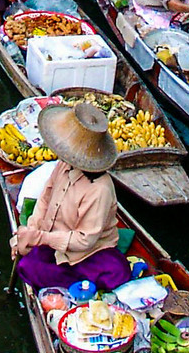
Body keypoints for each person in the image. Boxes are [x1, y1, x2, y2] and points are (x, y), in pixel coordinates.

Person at [11, 102, 132, 291]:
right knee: (26, 266)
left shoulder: (100, 189)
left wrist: (41, 238)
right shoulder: (63, 165)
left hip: (88, 252)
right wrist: (30, 232)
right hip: (54, 240)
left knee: (117, 272)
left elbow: (84, 240)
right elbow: (45, 198)